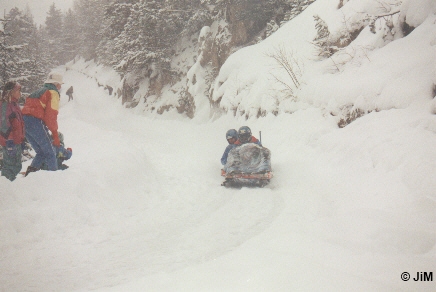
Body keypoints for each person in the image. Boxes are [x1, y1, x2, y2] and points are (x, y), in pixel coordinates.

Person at [22, 72, 64, 176]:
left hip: (23, 122)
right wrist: (55, 134)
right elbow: (51, 116)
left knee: (41, 152)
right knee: (50, 153)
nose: (61, 86)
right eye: (60, 84)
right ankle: (54, 179)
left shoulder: (39, 91)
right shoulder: (53, 93)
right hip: (35, 122)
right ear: (56, 84)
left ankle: (30, 175)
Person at [0, 81, 25, 181]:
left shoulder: (14, 104)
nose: (20, 93)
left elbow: (18, 124)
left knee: (16, 166)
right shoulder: (6, 105)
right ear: (12, 92)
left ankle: (9, 187)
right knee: (10, 166)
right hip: (10, 141)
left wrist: (21, 140)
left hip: (16, 141)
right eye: (18, 91)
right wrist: (9, 141)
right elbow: (3, 124)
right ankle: (5, 188)